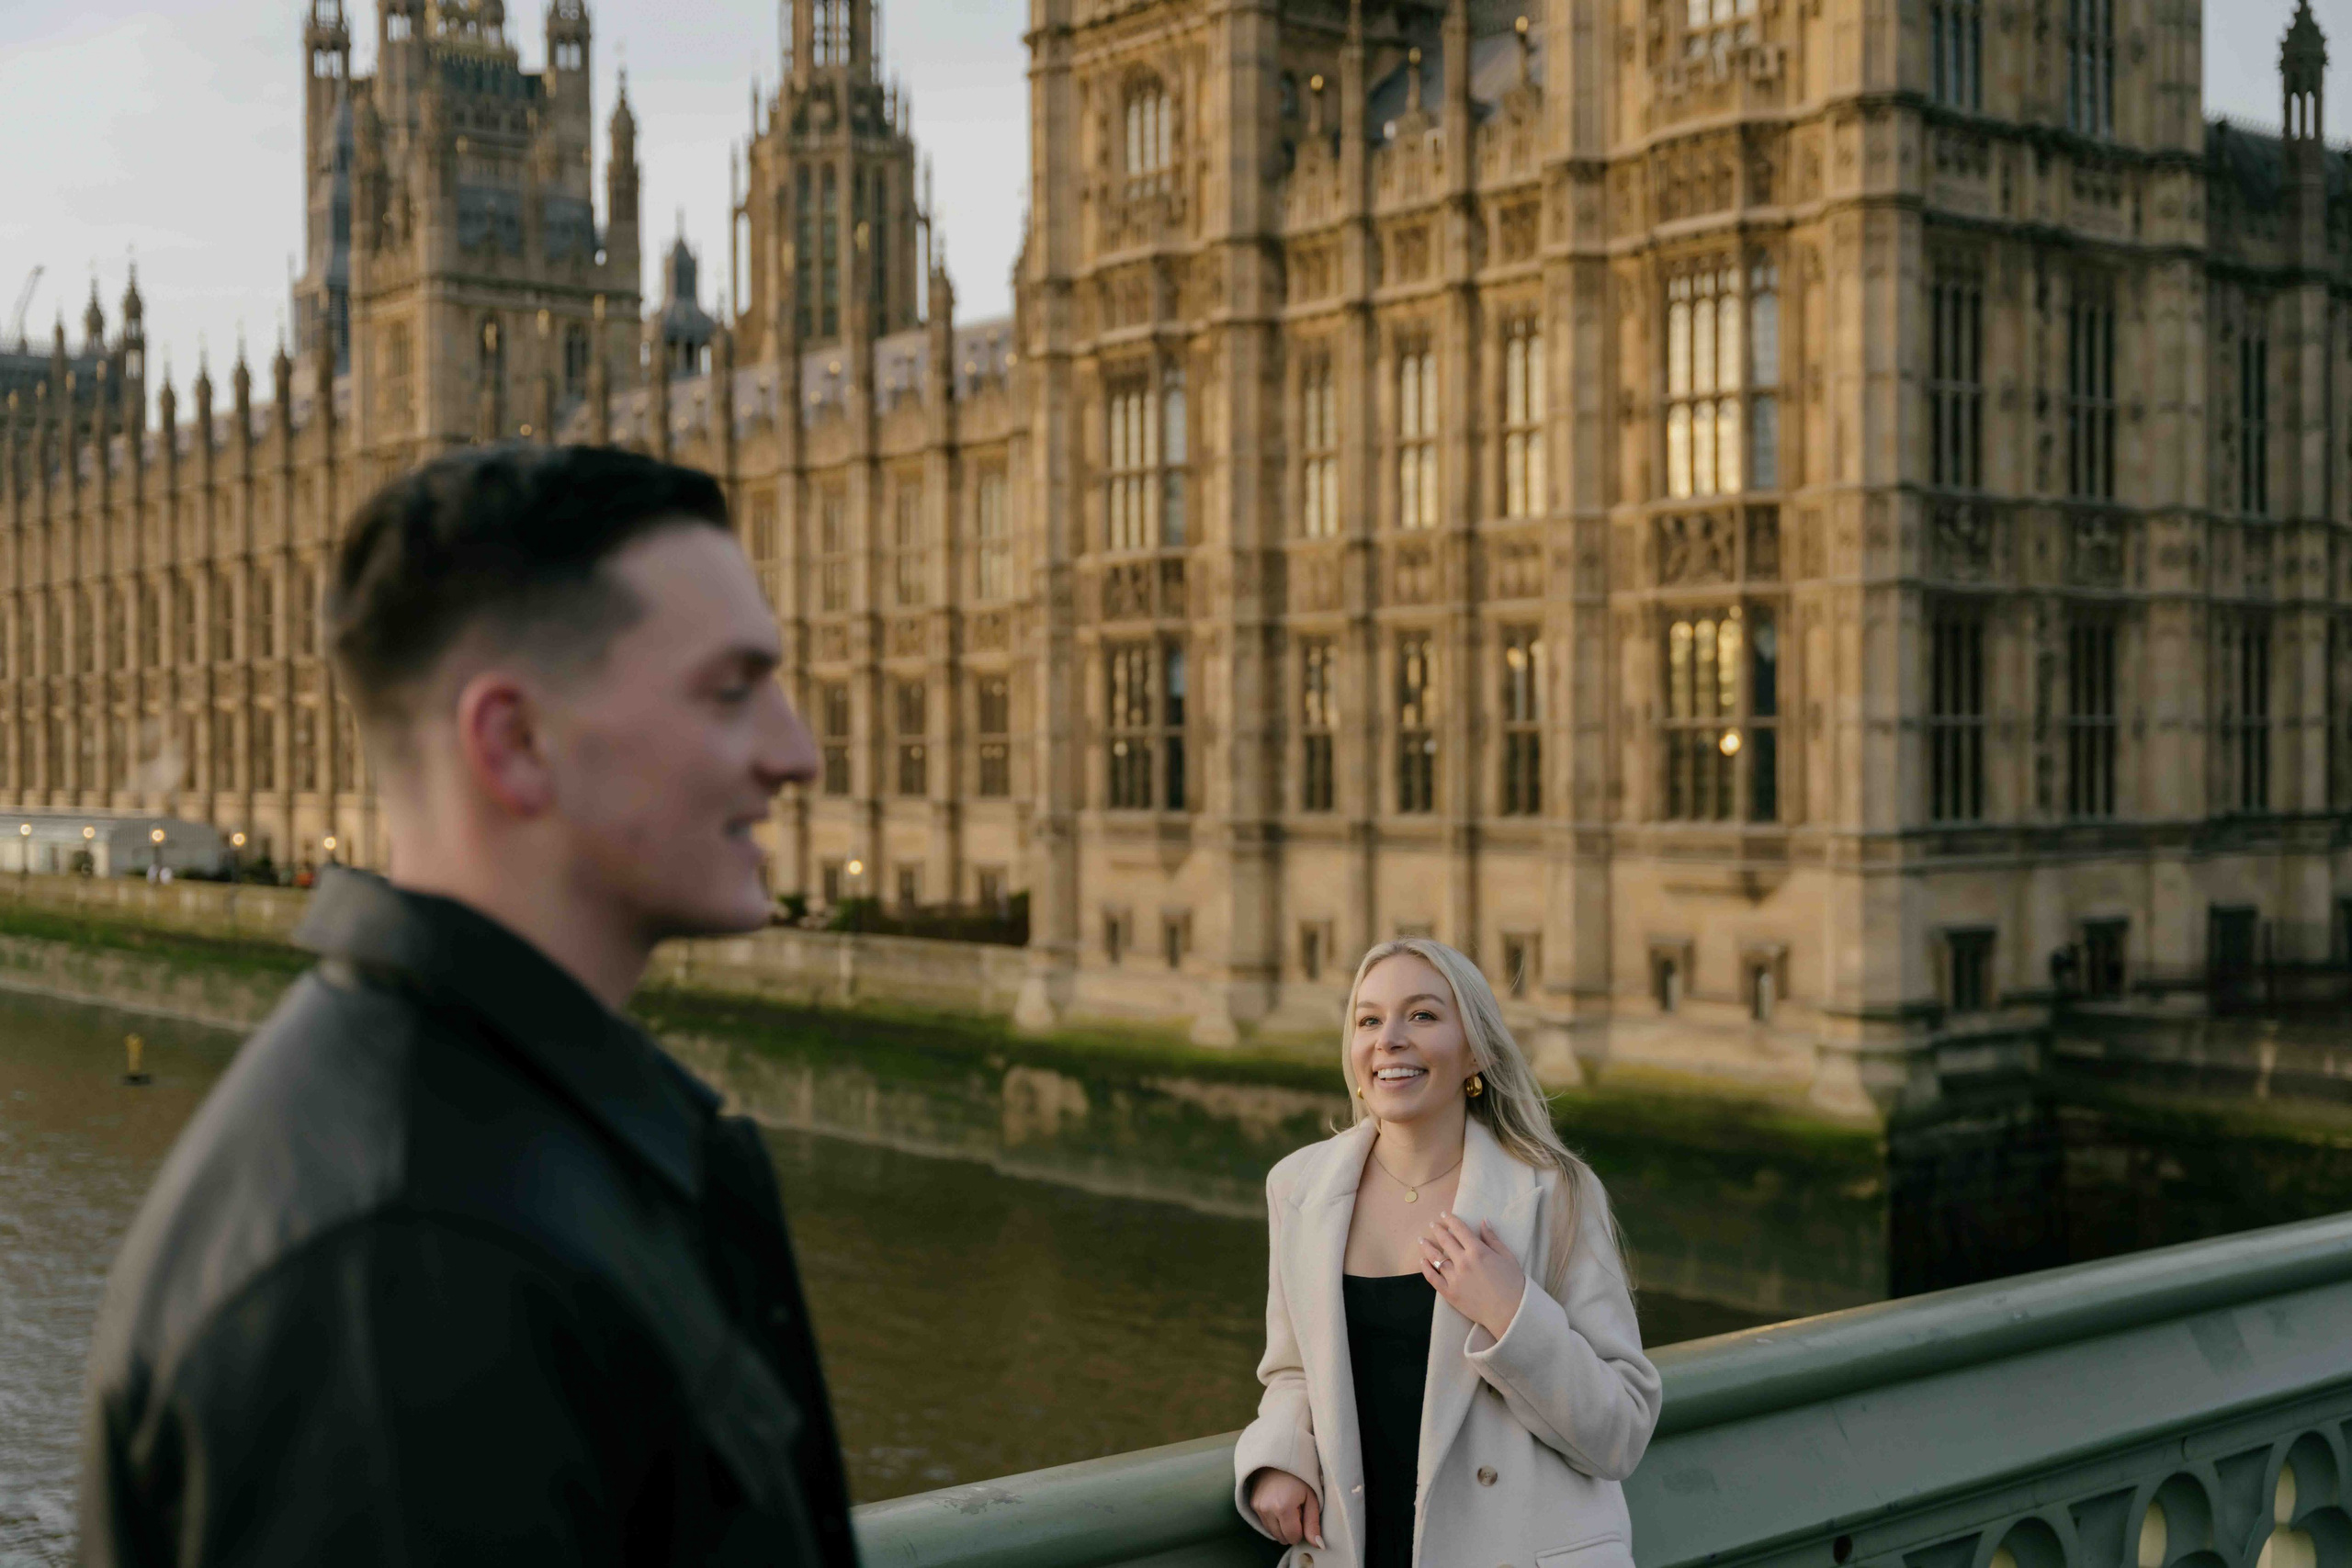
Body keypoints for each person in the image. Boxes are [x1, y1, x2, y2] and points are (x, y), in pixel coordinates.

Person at [79, 445, 853, 1566]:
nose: (798, 752)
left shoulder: (489, 1148)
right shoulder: (407, 1278)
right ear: (514, 741)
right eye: (731, 691)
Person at [1235, 937, 1661, 1568]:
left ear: (1475, 1050)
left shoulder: (1557, 1192)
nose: (1390, 1038)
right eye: (1369, 1019)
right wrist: (1279, 1455)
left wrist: (1512, 1310)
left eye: (1423, 1015)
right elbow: (1295, 1368)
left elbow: (1622, 1432)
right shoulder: (1296, 1189)